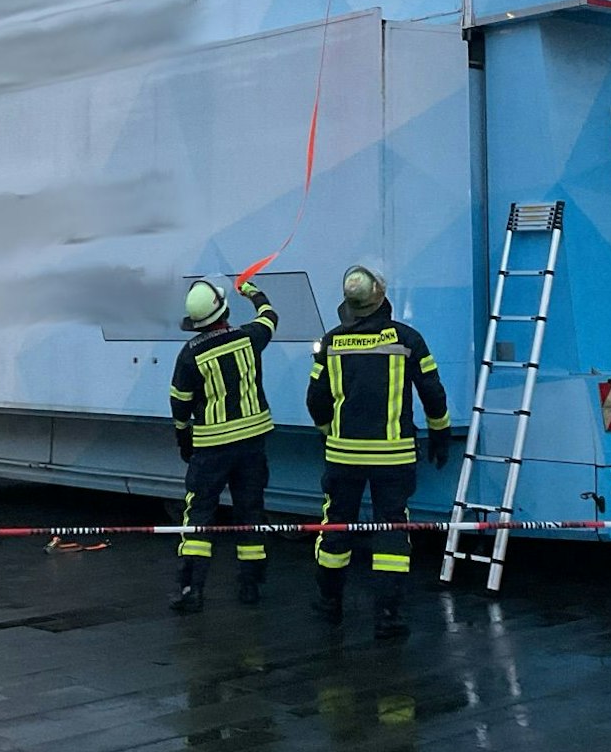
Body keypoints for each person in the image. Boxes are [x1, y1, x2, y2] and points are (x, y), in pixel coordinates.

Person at [306, 265, 452, 640]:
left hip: (343, 455)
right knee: (391, 530)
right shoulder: (408, 338)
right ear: (381, 297)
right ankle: (388, 616)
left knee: (336, 525)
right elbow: (432, 392)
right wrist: (440, 433)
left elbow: (315, 399)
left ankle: (328, 604)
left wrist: (329, 433)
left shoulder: (331, 341)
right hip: (394, 455)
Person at [167, 277, 278, 612]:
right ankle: (250, 588)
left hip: (211, 447)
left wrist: (183, 437)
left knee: (200, 514)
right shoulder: (248, 338)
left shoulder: (190, 355)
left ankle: (192, 590)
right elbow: (270, 316)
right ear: (224, 309)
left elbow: (179, 403)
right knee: (250, 511)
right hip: (252, 442)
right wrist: (252, 291)